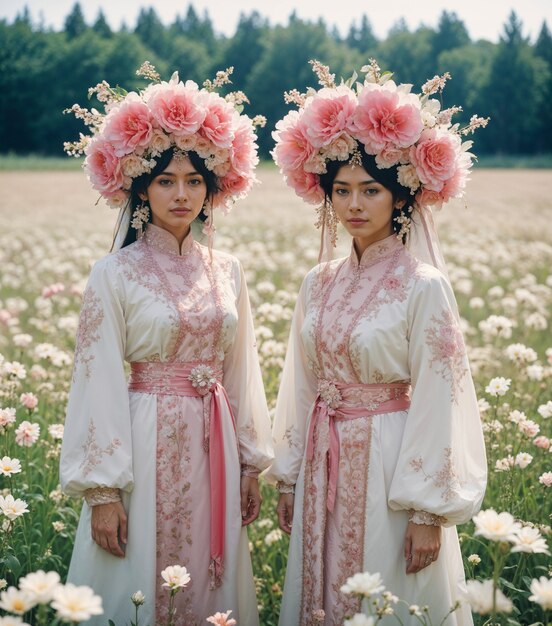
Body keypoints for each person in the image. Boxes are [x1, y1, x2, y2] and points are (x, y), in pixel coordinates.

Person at [266, 60, 488, 625]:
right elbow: (302, 382)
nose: (354, 205)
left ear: (400, 198)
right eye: (341, 191)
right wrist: (289, 475)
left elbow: (441, 396)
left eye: (370, 190)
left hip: (392, 462)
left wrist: (426, 511)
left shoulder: (424, 286)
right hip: (322, 456)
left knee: (389, 595)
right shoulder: (317, 282)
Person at [61, 63, 273, 626]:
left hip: (216, 444)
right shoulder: (114, 273)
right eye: (165, 181)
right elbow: (97, 377)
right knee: (138, 580)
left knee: (210, 579)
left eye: (194, 181)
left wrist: (250, 463)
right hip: (141, 434)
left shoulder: (227, 269)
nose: (181, 194)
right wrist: (103, 491)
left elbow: (240, 365)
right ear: (139, 188)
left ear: (211, 188)